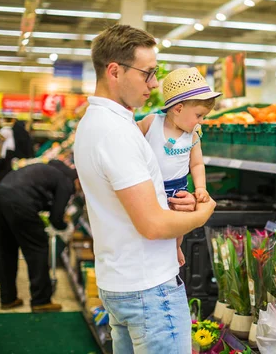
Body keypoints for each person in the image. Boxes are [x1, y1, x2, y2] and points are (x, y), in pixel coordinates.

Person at [73, 24, 216, 353]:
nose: (154, 85)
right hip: (148, 290)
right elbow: (151, 225)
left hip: (122, 281)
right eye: (147, 74)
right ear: (115, 71)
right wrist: (202, 213)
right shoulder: (116, 133)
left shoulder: (98, 123)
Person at [137, 67, 220, 267]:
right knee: (150, 221)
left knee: (177, 224)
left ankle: (175, 248)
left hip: (177, 188)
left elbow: (197, 164)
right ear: (178, 108)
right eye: (199, 115)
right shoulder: (151, 123)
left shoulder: (192, 135)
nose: (201, 121)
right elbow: (131, 135)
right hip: (150, 186)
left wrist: (200, 188)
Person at [0, 160, 79, 312]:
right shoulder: (66, 182)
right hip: (20, 201)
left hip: (0, 195)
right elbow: (56, 218)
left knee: (7, 250)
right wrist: (66, 228)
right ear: (77, 179)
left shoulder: (47, 171)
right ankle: (41, 301)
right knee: (37, 249)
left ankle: (8, 298)